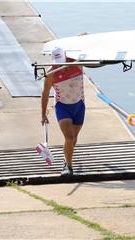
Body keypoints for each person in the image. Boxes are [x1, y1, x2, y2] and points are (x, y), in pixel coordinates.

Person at [41, 47, 85, 176]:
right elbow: (45, 94)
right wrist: (43, 114)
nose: (60, 65)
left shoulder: (77, 64)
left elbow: (83, 41)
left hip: (79, 105)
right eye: (57, 61)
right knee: (69, 137)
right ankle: (68, 166)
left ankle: (66, 157)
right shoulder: (51, 74)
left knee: (74, 139)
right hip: (62, 107)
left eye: (62, 60)